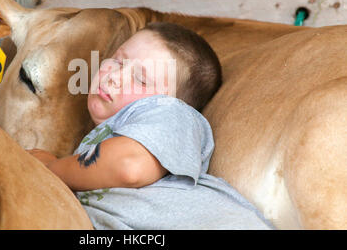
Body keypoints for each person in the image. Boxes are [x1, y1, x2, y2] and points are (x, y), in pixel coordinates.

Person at [28, 22, 274, 229]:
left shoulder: (173, 114)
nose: (115, 76)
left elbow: (129, 165)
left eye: (140, 79)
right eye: (118, 60)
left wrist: (51, 167)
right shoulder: (108, 135)